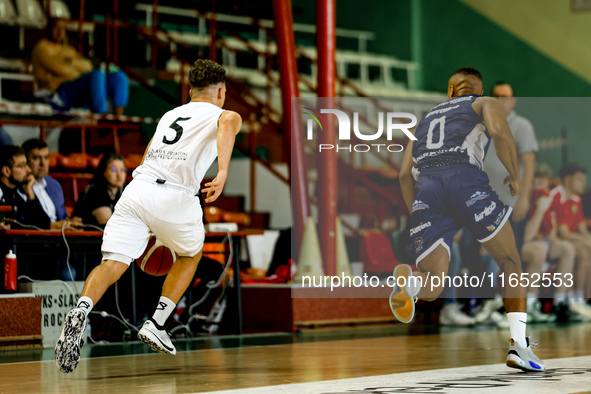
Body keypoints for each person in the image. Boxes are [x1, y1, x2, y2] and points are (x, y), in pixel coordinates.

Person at [55, 59, 242, 373]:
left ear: (189, 90)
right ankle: (157, 322)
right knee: (191, 255)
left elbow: (146, 156)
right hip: (177, 195)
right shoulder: (226, 114)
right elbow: (226, 125)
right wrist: (222, 171)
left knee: (112, 262)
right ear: (221, 91)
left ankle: (81, 309)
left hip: (137, 189)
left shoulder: (171, 115)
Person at [390, 67, 544, 372]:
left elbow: (403, 174)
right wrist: (514, 176)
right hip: (464, 180)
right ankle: (519, 348)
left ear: (449, 91)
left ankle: (409, 283)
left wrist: (417, 214)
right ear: (479, 88)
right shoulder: (484, 103)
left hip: (427, 191)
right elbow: (500, 133)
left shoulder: (423, 121)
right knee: (510, 262)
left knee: (432, 283)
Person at [31, 18, 129, 115]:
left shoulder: (68, 49)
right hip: (60, 92)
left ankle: (118, 119)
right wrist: (77, 69)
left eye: (62, 28)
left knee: (119, 77)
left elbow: (88, 66)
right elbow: (63, 70)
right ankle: (100, 119)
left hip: (79, 88)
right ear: (48, 29)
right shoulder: (41, 48)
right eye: (56, 28)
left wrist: (70, 62)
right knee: (97, 75)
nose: (60, 32)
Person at [522, 163, 579, 322]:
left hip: (541, 243)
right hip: (523, 245)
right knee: (539, 249)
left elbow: (551, 234)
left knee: (567, 249)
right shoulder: (525, 200)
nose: (539, 181)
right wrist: (540, 210)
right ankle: (530, 304)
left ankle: (559, 301)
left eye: (543, 178)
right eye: (536, 177)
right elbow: (527, 236)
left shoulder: (546, 198)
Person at [554, 163, 591, 318]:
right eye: (580, 179)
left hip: (568, 240)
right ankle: (570, 300)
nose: (584, 183)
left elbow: (581, 226)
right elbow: (563, 233)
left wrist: (588, 239)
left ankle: (579, 298)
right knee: (582, 250)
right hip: (555, 240)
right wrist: (587, 241)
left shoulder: (576, 199)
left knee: (586, 252)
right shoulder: (557, 195)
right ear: (568, 179)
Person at [22, 139, 82, 231]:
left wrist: (71, 221)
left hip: (60, 240)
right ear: (25, 161)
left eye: (46, 157)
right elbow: (26, 223)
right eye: (36, 158)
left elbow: (63, 218)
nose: (43, 163)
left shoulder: (54, 185)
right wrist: (56, 226)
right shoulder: (21, 187)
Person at [0, 145, 50, 229]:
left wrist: (31, 196)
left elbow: (44, 225)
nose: (28, 170)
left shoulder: (16, 193)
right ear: (7, 171)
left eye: (27, 164)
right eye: (22, 166)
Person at [73, 153, 127, 228]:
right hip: (85, 237)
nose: (119, 174)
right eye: (113, 169)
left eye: (122, 170)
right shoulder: (95, 192)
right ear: (103, 171)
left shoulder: (126, 191)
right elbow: (109, 224)